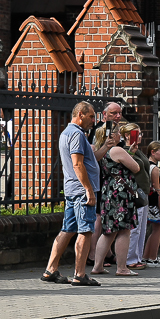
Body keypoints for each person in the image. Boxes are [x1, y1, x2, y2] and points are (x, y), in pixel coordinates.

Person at [42, 102, 109, 286]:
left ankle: (50, 270)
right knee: (85, 230)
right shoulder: (77, 135)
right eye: (91, 116)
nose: (93, 121)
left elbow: (88, 160)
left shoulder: (67, 133)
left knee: (67, 229)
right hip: (81, 191)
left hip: (72, 189)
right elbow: (78, 164)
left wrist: (107, 146)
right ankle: (79, 274)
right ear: (80, 114)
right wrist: (89, 190)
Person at [90, 123, 142, 277]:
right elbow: (136, 168)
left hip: (109, 192)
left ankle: (97, 266)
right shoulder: (117, 150)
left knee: (108, 232)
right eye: (117, 132)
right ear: (111, 135)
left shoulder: (104, 151)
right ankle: (122, 268)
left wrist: (130, 153)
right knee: (124, 230)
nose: (120, 134)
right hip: (120, 194)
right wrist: (132, 154)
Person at [123, 124, 153, 270]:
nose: (140, 137)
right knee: (134, 227)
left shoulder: (138, 151)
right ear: (127, 135)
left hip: (143, 192)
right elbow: (128, 167)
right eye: (137, 134)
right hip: (135, 193)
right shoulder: (125, 151)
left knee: (141, 227)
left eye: (140, 134)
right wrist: (131, 152)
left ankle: (138, 256)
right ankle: (129, 259)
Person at [142, 141, 160, 267]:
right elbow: (157, 189)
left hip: (151, 202)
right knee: (158, 229)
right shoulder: (155, 168)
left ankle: (147, 256)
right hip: (155, 202)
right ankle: (152, 257)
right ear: (153, 152)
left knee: (156, 229)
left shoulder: (148, 165)